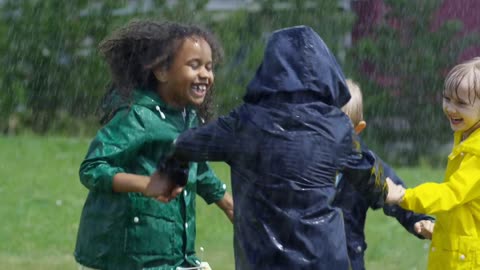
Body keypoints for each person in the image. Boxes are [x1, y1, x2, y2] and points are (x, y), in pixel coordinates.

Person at [155, 25, 393, 270]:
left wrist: (175, 171)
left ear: (270, 70)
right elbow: (367, 173)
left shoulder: (243, 124)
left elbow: (184, 144)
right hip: (324, 261)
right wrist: (385, 192)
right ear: (325, 70)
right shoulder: (337, 126)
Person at [74, 20, 233, 270]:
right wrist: (145, 184)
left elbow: (198, 169)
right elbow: (93, 167)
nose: (205, 74)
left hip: (171, 257)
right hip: (125, 258)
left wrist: (229, 204)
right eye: (194, 65)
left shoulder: (188, 118)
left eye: (209, 67)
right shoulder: (137, 116)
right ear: (162, 71)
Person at [388, 57, 480, 270]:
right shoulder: (468, 135)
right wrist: (440, 230)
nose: (450, 108)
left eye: (461, 103)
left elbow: (451, 194)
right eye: (447, 98)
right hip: (458, 252)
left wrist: (405, 196)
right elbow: (468, 209)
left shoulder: (477, 154)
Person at [333, 79, 435, 270]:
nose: (330, 138)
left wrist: (418, 220)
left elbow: (397, 193)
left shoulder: (366, 165)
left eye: (338, 130)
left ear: (357, 129)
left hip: (348, 259)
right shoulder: (302, 163)